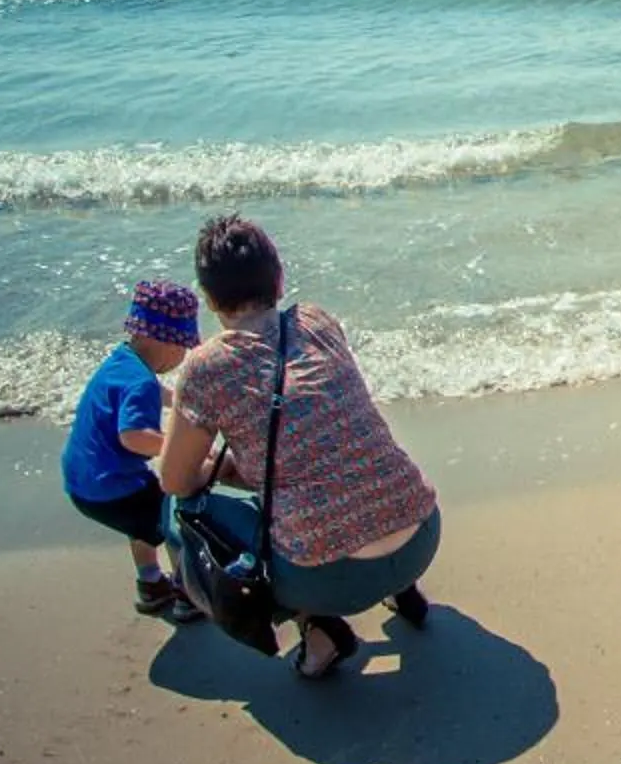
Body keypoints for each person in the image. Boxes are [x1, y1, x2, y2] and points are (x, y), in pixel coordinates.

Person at [158, 217, 440, 681]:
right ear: (279, 278)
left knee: (179, 510)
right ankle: (401, 585)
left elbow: (175, 479)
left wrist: (225, 468)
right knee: (348, 460)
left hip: (329, 580)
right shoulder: (317, 320)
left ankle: (319, 630)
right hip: (421, 534)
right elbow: (319, 431)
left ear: (208, 299)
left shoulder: (205, 368)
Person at [62, 279, 205, 625]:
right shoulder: (140, 382)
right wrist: (178, 446)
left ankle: (151, 584)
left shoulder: (122, 360)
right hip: (114, 487)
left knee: (141, 524)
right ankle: (189, 593)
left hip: (83, 482)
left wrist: (181, 401)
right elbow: (133, 436)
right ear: (164, 341)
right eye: (183, 347)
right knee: (174, 521)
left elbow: (153, 393)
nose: (183, 356)